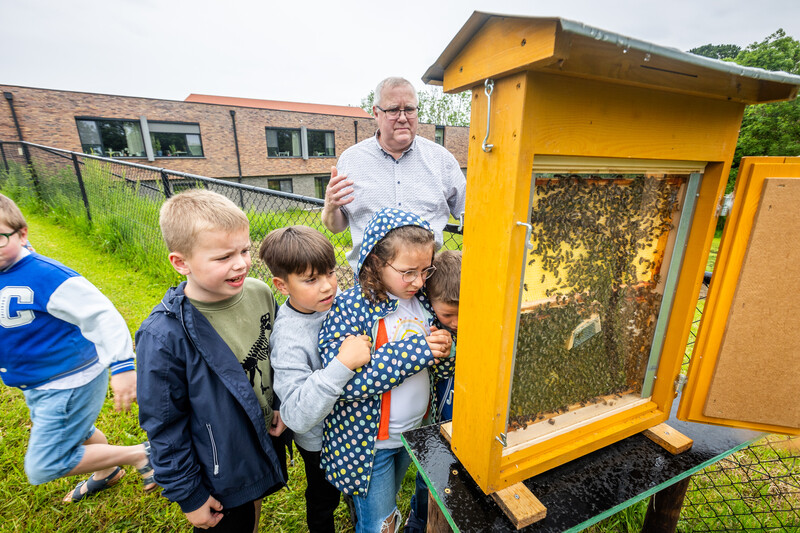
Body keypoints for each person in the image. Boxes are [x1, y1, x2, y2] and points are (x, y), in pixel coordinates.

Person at [135, 189, 286, 532]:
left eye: (245, 250)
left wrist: (279, 403)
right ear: (181, 262)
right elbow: (164, 424)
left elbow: (276, 356)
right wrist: (189, 495)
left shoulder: (260, 293)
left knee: (250, 511)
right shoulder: (163, 336)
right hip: (218, 462)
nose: (241, 263)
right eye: (223, 257)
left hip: (258, 439)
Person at [0, 193, 155, 503]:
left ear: (22, 233)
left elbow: (102, 315)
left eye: (0, 238)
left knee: (44, 466)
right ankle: (106, 471)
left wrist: (123, 365)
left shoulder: (45, 276)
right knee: (79, 429)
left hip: (68, 379)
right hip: (38, 381)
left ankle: (141, 453)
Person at [318, 208, 453, 533]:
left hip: (408, 435)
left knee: (386, 503)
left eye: (425, 270)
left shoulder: (421, 301)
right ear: (376, 262)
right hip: (369, 444)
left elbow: (437, 369)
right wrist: (417, 351)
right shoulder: (352, 308)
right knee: (381, 523)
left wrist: (445, 349)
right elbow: (345, 384)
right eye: (408, 272)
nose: (419, 281)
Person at [262, 225, 372, 533]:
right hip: (319, 442)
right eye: (311, 279)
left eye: (330, 273)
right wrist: (342, 364)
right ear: (281, 285)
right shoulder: (289, 338)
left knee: (355, 485)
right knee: (324, 496)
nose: (327, 287)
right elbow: (296, 414)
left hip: (351, 427)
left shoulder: (341, 306)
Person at [321, 76, 467, 273]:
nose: (403, 117)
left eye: (409, 109)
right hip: (369, 284)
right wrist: (330, 208)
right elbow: (336, 227)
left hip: (425, 282)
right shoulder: (352, 160)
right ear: (376, 112)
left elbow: (472, 215)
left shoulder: (442, 160)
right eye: (392, 110)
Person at [404, 249, 461, 533]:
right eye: (448, 314)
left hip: (464, 420)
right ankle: (417, 522)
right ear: (430, 301)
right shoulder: (428, 328)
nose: (457, 322)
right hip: (435, 423)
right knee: (429, 476)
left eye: (464, 313)